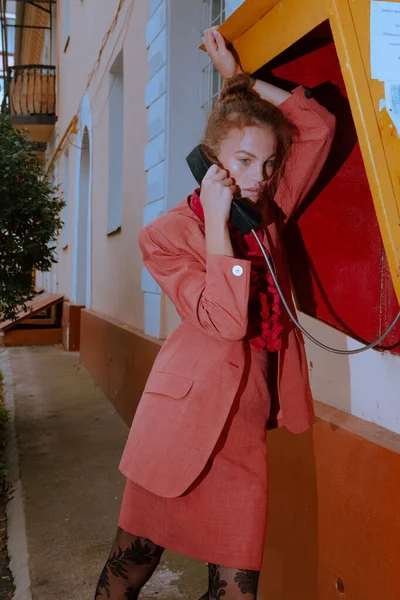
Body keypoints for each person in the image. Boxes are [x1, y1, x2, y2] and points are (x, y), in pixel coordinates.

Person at [94, 26, 336, 600]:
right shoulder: (168, 235)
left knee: (236, 590)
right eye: (244, 161)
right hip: (182, 420)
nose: (258, 177)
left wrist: (242, 81)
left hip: (243, 427)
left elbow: (319, 125)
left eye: (269, 164)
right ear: (210, 163)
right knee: (132, 564)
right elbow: (224, 322)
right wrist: (218, 223)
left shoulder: (270, 211)